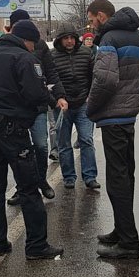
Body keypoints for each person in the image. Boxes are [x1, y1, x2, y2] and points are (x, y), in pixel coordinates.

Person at [0, 18, 65, 260]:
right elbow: (35, 94)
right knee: (29, 186)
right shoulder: (25, 58)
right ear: (26, 39)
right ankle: (36, 245)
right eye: (33, 43)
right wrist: (51, 102)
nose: (34, 48)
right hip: (13, 129)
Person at [86, 0, 139, 260]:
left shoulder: (108, 39)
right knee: (126, 176)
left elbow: (105, 79)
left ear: (101, 16)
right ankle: (121, 230)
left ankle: (128, 243)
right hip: (127, 118)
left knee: (117, 181)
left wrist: (92, 108)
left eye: (92, 20)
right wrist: (131, 99)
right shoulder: (138, 37)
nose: (91, 25)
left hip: (112, 119)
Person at [4, 10, 66, 204]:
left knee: (40, 145)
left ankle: (41, 181)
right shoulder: (5, 46)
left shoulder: (38, 44)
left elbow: (51, 72)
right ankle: (21, 188)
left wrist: (60, 95)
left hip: (38, 106)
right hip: (15, 109)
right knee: (18, 150)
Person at [51, 27, 99, 190]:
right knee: (64, 143)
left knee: (86, 139)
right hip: (62, 106)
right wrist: (57, 99)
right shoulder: (53, 56)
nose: (69, 41)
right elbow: (49, 80)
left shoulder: (86, 53)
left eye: (72, 37)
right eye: (66, 38)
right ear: (60, 40)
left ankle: (90, 176)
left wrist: (90, 95)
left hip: (83, 104)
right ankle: (69, 177)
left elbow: (95, 76)